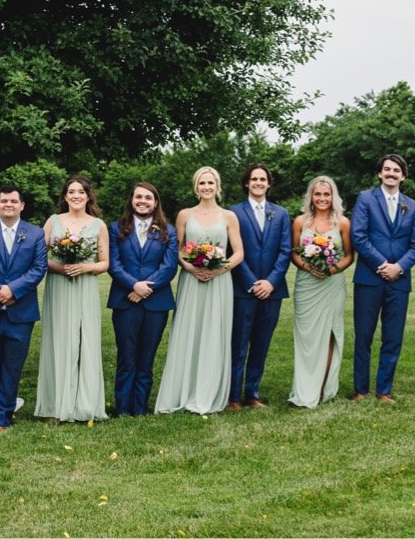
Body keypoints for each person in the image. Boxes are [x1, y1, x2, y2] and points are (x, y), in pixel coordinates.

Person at [155, 166, 244, 415]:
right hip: (191, 280)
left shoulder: (229, 217)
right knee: (188, 331)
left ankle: (208, 392)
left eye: (210, 183)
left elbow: (238, 253)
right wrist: (191, 267)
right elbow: (179, 249)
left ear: (217, 186)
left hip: (219, 282)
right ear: (196, 187)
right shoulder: (184, 214)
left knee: (214, 332)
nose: (206, 187)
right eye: (202, 183)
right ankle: (182, 390)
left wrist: (219, 269)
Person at [0, 184, 48, 431]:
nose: (8, 205)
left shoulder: (35, 234)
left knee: (13, 366)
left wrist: (13, 290)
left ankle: (4, 416)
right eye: (4, 201)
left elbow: (38, 268)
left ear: (22, 205)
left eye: (13, 201)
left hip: (21, 312)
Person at [349, 153, 415, 402]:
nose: (391, 173)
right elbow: (358, 236)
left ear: (403, 176)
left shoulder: (412, 206)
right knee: (364, 335)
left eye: (396, 170)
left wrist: (399, 267)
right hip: (369, 278)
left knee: (393, 336)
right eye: (387, 169)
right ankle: (361, 389)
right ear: (380, 173)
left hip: (399, 281)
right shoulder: (365, 199)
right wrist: (382, 264)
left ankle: (384, 389)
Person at [35, 174, 110, 422]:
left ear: (88, 196)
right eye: (71, 191)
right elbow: (39, 256)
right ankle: (56, 406)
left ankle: (85, 404)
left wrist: (85, 268)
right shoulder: (53, 221)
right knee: (59, 340)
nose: (76, 196)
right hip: (59, 286)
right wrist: (60, 267)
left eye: (81, 192)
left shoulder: (98, 225)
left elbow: (104, 263)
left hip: (85, 287)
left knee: (84, 340)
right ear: (65, 196)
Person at [106, 182, 178, 416]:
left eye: (148, 198)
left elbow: (169, 267)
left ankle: (140, 406)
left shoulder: (168, 230)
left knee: (147, 356)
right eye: (139, 197)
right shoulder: (116, 228)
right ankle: (123, 407)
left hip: (156, 302)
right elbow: (114, 264)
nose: (143, 201)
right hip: (125, 300)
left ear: (155, 202)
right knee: (126, 355)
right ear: (132, 200)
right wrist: (133, 285)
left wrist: (146, 288)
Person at [228, 164, 292, 410]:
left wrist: (271, 282)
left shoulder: (281, 213)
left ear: (268, 184)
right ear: (246, 183)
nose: (258, 182)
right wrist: (252, 282)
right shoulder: (234, 213)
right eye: (254, 179)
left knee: (261, 343)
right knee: (238, 343)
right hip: (243, 289)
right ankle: (233, 396)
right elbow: (232, 251)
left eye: (262, 179)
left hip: (272, 290)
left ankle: (252, 393)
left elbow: (285, 250)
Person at [287, 176, 355, 408]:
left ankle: (319, 387)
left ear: (333, 197)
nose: (322, 198)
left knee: (327, 335)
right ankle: (303, 387)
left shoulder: (343, 223)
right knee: (307, 336)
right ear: (311, 197)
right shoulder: (300, 222)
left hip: (331, 285)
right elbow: (294, 252)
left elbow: (349, 255)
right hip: (306, 285)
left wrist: (332, 269)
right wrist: (308, 266)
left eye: (327, 194)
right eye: (318, 194)